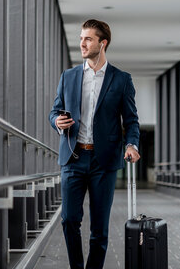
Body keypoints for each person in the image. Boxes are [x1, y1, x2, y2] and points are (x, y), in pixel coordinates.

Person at [49, 19, 140, 269]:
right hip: (73, 157)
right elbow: (54, 111)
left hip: (104, 161)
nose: (82, 43)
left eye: (88, 38)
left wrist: (132, 144)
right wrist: (57, 120)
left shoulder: (121, 80)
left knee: (99, 228)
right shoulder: (68, 77)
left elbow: (131, 120)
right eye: (81, 38)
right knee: (69, 220)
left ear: (103, 43)